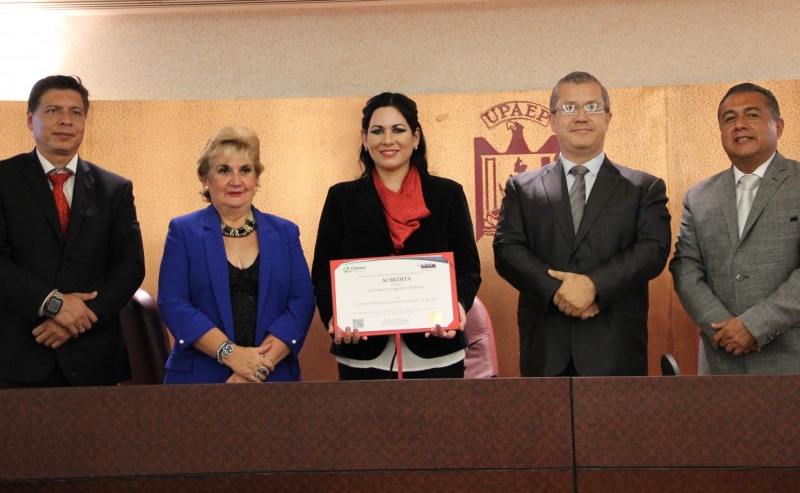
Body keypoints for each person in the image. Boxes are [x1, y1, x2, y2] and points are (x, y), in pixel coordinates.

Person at [493, 71, 671, 377]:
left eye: (591, 107)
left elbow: (652, 251)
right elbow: (507, 250)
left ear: (608, 117)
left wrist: (593, 285)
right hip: (546, 347)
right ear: (552, 120)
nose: (580, 116)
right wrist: (558, 292)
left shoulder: (644, 188)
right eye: (569, 108)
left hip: (616, 346)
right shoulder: (522, 187)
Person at [312, 92, 481, 380]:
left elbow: (468, 268)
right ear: (365, 139)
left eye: (398, 130)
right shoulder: (341, 198)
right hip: (363, 353)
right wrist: (335, 316)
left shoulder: (447, 194)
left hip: (437, 349)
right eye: (377, 131)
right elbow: (322, 272)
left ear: (415, 137)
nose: (387, 140)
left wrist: (458, 305)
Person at [0, 75, 145, 387]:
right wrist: (53, 304)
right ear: (30, 119)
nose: (66, 121)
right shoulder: (3, 180)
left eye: (76, 112)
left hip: (94, 358)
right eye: (53, 111)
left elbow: (130, 265)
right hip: (17, 355)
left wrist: (79, 318)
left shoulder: (115, 189)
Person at [157, 126, 315, 384]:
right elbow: (173, 303)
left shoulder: (285, 232)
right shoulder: (183, 231)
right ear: (205, 178)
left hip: (274, 380)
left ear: (256, 178)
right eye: (223, 170)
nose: (236, 180)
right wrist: (231, 355)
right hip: (200, 381)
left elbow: (301, 303)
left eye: (245, 170)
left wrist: (256, 367)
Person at [670, 83, 800, 374]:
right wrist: (722, 328)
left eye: (752, 115)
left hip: (791, 360)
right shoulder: (699, 196)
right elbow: (685, 268)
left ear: (778, 127)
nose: (739, 125)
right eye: (729, 118)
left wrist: (754, 326)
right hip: (721, 362)